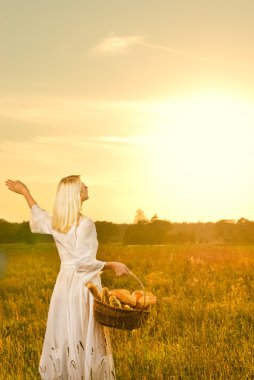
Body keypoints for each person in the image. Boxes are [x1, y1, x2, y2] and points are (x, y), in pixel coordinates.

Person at [5, 175, 130, 380]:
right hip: (83, 285)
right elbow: (83, 264)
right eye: (83, 186)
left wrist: (25, 192)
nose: (87, 187)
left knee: (66, 332)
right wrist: (112, 265)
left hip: (64, 285)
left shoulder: (58, 222)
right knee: (84, 332)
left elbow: (39, 215)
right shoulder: (86, 224)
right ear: (75, 194)